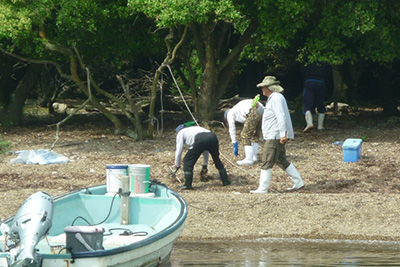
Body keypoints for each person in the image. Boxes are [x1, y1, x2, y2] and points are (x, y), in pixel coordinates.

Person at [250, 76, 305, 194]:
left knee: (267, 160)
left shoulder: (276, 98)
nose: (262, 89)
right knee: (281, 159)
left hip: (274, 135)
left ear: (269, 87)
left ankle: (263, 188)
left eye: (263, 87)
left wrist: (282, 134)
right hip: (272, 134)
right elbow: (268, 113)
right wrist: (258, 107)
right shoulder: (273, 98)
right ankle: (299, 182)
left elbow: (281, 116)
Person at [172, 124, 231, 190]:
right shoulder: (195, 129)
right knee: (216, 159)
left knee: (187, 161)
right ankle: (225, 181)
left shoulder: (180, 132)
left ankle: (188, 185)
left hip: (200, 139)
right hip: (212, 136)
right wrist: (204, 165)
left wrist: (176, 165)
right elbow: (205, 150)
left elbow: (179, 150)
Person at [224, 97, 264, 166]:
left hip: (252, 109)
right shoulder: (237, 109)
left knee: (245, 135)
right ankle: (254, 157)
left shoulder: (230, 113)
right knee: (254, 135)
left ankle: (248, 159)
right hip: (261, 110)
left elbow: (232, 128)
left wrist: (234, 142)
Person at [302, 62, 331, 132]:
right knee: (320, 102)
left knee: (307, 104)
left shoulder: (308, 59)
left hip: (309, 80)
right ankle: (320, 126)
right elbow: (329, 73)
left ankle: (309, 123)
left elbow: (303, 71)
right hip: (321, 81)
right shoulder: (325, 61)